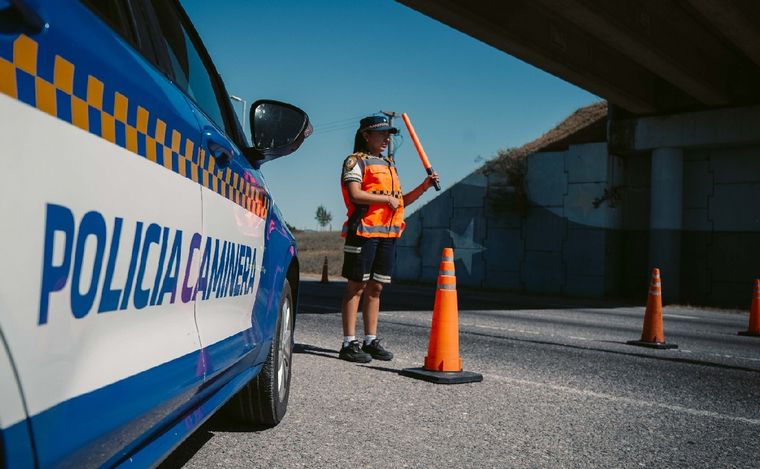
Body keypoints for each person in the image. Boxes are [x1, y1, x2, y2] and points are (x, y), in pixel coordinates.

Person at [338, 115, 439, 362]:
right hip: (363, 231)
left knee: (376, 287)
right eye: (381, 133)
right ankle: (349, 343)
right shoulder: (355, 161)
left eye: (388, 134)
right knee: (356, 287)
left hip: (388, 233)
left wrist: (424, 186)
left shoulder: (390, 164)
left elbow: (400, 201)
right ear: (366, 135)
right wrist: (385, 200)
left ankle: (370, 340)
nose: (386, 138)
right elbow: (355, 194)